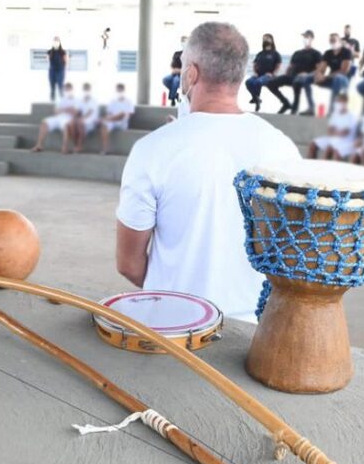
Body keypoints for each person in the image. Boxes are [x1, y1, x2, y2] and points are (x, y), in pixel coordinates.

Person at [116, 22, 300, 323]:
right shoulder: (283, 148)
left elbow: (128, 264)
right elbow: (289, 249)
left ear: (191, 74)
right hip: (254, 329)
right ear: (241, 76)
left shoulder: (152, 149)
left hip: (171, 325)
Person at [267, 30, 322, 115]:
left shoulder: (316, 53)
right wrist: (283, 76)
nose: (305, 39)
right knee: (270, 83)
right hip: (292, 76)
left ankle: (294, 108)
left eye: (307, 37)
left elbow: (319, 69)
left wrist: (307, 74)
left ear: (312, 39)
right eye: (304, 37)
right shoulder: (297, 53)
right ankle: (286, 103)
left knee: (297, 81)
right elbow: (290, 66)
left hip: (305, 78)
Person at [31, 82, 78, 153]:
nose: (67, 91)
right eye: (66, 89)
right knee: (44, 122)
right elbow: (56, 112)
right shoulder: (61, 99)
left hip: (68, 119)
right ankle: (39, 145)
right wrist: (67, 109)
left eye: (68, 89)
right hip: (58, 118)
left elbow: (75, 113)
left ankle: (64, 148)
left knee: (66, 125)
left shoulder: (76, 100)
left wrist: (64, 110)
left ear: (72, 89)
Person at [307, 93, 356, 159]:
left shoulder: (351, 117)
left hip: (345, 141)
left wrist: (335, 131)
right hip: (332, 138)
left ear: (345, 102)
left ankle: (324, 168)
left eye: (340, 101)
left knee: (329, 148)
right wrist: (336, 132)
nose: (337, 103)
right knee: (313, 144)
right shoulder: (335, 115)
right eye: (337, 101)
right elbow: (329, 131)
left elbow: (344, 133)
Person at [314, 33, 352, 113]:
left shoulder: (346, 52)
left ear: (339, 41)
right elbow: (322, 68)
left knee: (337, 78)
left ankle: (333, 110)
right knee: (310, 77)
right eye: (330, 40)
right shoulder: (328, 53)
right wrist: (318, 74)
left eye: (334, 40)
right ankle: (310, 107)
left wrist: (326, 77)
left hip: (343, 80)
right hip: (331, 78)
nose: (332, 42)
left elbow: (344, 71)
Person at [244, 33, 281, 112]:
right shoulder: (260, 53)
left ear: (271, 40)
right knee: (248, 82)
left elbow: (278, 65)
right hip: (258, 75)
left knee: (258, 82)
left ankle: (256, 99)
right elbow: (254, 64)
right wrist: (255, 72)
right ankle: (256, 98)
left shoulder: (275, 53)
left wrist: (272, 73)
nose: (265, 40)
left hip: (268, 75)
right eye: (264, 38)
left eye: (267, 38)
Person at [99, 83, 134, 155]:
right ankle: (105, 149)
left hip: (123, 122)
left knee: (121, 113)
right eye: (118, 90)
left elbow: (130, 113)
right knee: (104, 126)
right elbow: (109, 112)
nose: (119, 92)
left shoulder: (128, 101)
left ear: (123, 90)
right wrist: (111, 118)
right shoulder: (112, 101)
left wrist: (117, 117)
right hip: (112, 121)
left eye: (120, 90)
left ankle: (106, 119)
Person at [71, 83, 100, 154]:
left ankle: (80, 146)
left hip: (92, 120)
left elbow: (90, 112)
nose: (86, 91)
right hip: (83, 119)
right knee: (72, 123)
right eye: (85, 89)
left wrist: (81, 118)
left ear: (90, 90)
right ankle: (76, 144)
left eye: (87, 89)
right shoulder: (80, 100)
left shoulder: (94, 100)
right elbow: (77, 111)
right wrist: (74, 118)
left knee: (80, 123)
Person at [162, 36, 187, 106]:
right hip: (175, 74)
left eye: (185, 41)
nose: (184, 43)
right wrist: (175, 70)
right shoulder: (177, 54)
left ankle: (172, 98)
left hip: (184, 76)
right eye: (183, 41)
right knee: (165, 79)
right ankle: (175, 95)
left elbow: (188, 68)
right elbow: (172, 66)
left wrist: (179, 70)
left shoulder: (190, 54)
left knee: (176, 81)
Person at [47, 37, 68, 101]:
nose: (56, 42)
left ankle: (63, 104)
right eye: (55, 41)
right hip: (52, 71)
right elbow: (48, 61)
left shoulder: (63, 52)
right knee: (52, 89)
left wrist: (63, 69)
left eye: (57, 41)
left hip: (60, 71)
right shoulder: (49, 52)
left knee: (60, 87)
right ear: (53, 42)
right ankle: (52, 103)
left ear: (59, 42)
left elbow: (66, 61)